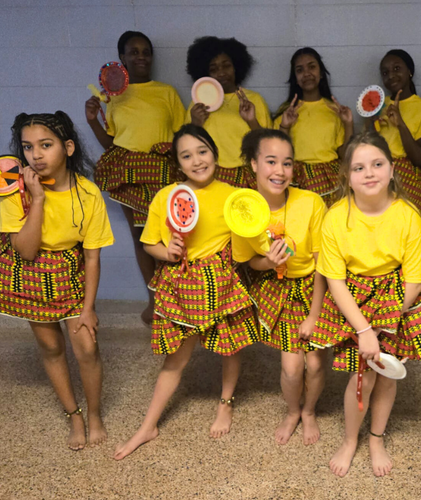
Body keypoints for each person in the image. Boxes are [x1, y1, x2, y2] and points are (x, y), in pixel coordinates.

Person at [0, 112, 114, 450]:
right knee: (50, 347)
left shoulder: (89, 193)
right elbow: (26, 251)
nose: (36, 154)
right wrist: (38, 199)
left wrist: (89, 308)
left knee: (87, 347)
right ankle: (73, 416)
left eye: (46, 145)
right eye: (28, 147)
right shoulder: (14, 194)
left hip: (70, 271)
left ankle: (94, 414)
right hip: (31, 275)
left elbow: (92, 256)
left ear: (68, 148)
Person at [113, 125, 256, 461]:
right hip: (182, 285)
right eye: (186, 155)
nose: (197, 160)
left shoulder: (234, 195)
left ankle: (225, 404)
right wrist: (169, 253)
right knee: (175, 358)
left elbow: (247, 243)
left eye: (202, 151)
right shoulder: (167, 197)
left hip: (222, 284)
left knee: (229, 348)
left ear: (215, 154)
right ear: (178, 164)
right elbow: (149, 243)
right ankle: (148, 424)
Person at [310, 131, 421, 477]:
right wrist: (364, 329)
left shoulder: (408, 216)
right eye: (359, 167)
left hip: (398, 296)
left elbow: (414, 279)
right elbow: (334, 279)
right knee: (360, 374)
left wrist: (383, 324)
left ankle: (376, 438)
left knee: (387, 374)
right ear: (346, 177)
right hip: (354, 297)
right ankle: (351, 440)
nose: (369, 173)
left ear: (392, 169)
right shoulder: (335, 217)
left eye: (377, 164)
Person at [231, 128, 328, 445]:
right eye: (271, 161)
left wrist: (313, 315)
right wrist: (268, 263)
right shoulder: (242, 211)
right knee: (291, 370)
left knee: (313, 366)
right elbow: (248, 262)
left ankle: (309, 411)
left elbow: (323, 265)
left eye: (287, 163)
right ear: (254, 164)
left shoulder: (311, 203)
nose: (280, 171)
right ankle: (292, 412)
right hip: (279, 290)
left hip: (315, 290)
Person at [85, 30, 186, 324]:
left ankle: (177, 297)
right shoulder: (114, 96)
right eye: (134, 51)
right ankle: (155, 299)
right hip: (129, 173)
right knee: (142, 236)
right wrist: (93, 120)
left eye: (146, 51)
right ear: (122, 59)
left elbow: (182, 134)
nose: (141, 56)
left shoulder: (166, 92)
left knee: (171, 234)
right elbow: (111, 143)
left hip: (165, 170)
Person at [185, 36, 271, 188]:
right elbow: (186, 146)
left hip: (248, 174)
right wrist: (195, 123)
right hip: (212, 175)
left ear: (236, 67)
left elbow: (268, 145)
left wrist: (251, 120)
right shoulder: (198, 103)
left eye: (226, 66)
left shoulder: (254, 100)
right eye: (213, 69)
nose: (221, 72)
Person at [274, 47, 353, 206]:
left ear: (321, 73)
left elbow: (346, 156)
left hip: (330, 180)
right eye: (300, 70)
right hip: (296, 179)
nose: (307, 73)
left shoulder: (334, 111)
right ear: (295, 78)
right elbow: (278, 156)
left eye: (312, 67)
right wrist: (285, 126)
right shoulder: (286, 113)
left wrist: (348, 123)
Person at [367, 49, 421, 218]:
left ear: (410, 72)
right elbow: (368, 149)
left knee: (408, 233)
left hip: (409, 183)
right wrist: (370, 120)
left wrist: (400, 123)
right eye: (385, 72)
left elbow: (419, 158)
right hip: (380, 178)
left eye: (397, 69)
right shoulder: (379, 106)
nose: (391, 75)